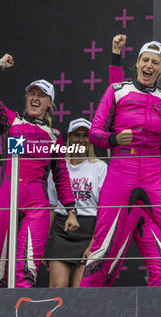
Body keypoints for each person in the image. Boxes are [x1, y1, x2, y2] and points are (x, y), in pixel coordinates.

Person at [80, 40, 161, 287]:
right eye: (145, 60)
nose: (149, 66)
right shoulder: (117, 91)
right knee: (103, 247)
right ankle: (87, 302)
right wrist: (115, 138)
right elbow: (95, 133)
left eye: (156, 63)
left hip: (154, 177)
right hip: (121, 174)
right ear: (137, 63)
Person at [0, 54, 79, 288]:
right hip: (6, 196)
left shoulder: (55, 137)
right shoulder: (10, 121)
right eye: (31, 94)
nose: (35, 99)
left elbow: (61, 177)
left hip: (36, 202)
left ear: (49, 104)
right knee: (2, 272)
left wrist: (71, 211)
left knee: (26, 269)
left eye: (41, 96)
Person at [45, 118, 107, 287]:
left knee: (80, 292)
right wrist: (45, 241)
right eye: (76, 135)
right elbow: (52, 207)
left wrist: (94, 244)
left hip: (89, 232)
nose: (80, 139)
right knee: (58, 287)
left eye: (85, 135)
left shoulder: (100, 167)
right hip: (61, 230)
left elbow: (104, 211)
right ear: (69, 139)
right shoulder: (58, 166)